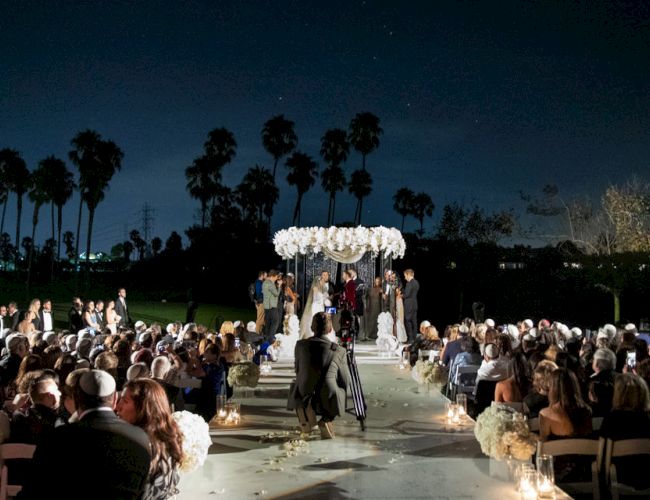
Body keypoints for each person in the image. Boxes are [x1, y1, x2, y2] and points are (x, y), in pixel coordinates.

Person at [20, 370, 151, 499]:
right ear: (115, 399)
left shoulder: (57, 438)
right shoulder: (140, 438)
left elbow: (31, 491)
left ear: (77, 399)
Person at [116, 379, 184, 500]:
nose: (118, 407)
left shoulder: (137, 445)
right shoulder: (167, 436)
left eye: (125, 401)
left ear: (143, 407)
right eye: (120, 399)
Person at [290, 312, 350, 439]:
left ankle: (304, 412)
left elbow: (298, 369)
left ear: (312, 327)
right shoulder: (339, 350)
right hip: (327, 393)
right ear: (329, 329)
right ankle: (326, 419)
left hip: (303, 391)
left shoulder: (300, 345)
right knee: (340, 390)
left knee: (299, 382)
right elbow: (345, 379)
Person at [539, 368, 592, 441]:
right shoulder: (587, 411)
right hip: (584, 451)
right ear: (575, 386)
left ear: (553, 388)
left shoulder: (545, 414)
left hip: (556, 452)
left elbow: (543, 446)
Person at [10, 370, 62, 444]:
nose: (60, 394)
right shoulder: (58, 420)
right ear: (50, 395)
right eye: (57, 390)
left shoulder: (18, 415)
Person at [299, 271, 331, 339]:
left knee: (322, 319)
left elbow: (326, 297)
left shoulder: (325, 286)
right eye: (323, 275)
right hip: (316, 306)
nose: (324, 277)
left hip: (321, 306)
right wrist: (324, 298)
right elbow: (317, 296)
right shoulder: (315, 287)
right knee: (315, 319)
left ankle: (321, 333)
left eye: (326, 275)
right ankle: (314, 334)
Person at [262, 270, 281, 343]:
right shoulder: (270, 284)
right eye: (276, 277)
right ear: (273, 276)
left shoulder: (264, 283)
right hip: (272, 307)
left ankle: (266, 339)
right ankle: (271, 338)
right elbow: (276, 294)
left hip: (266, 306)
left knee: (268, 324)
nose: (276, 279)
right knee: (276, 321)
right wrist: (279, 286)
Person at [402, 269, 419, 343]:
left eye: (405, 276)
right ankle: (414, 338)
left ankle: (410, 338)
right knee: (414, 321)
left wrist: (401, 295)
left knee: (408, 320)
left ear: (409, 275)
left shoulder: (409, 283)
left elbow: (407, 294)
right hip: (414, 304)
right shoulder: (416, 282)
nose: (405, 278)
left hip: (409, 305)